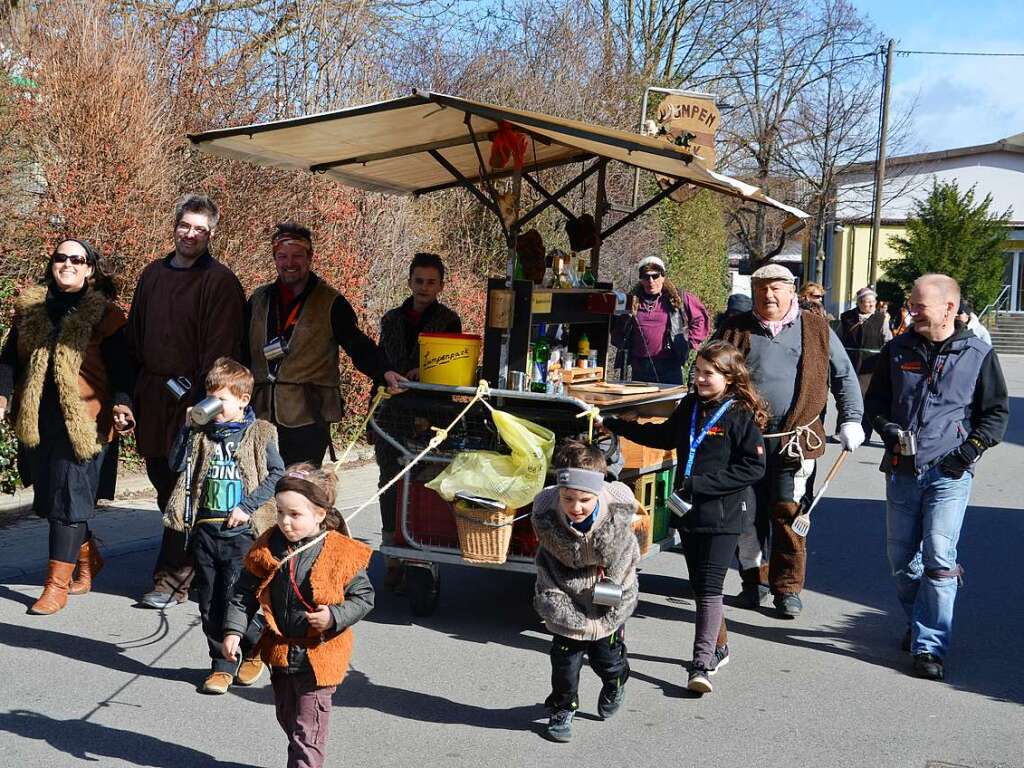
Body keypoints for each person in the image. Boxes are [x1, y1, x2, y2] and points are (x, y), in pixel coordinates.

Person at [865, 274, 1008, 681]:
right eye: (911, 305)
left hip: (950, 472)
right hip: (902, 470)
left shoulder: (978, 353)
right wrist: (886, 429)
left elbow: (995, 414)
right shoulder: (897, 349)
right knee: (901, 562)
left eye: (919, 306)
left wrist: (968, 452)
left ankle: (930, 646)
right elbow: (876, 402)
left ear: (949, 308)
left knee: (939, 560)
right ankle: (922, 618)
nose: (911, 312)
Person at [602, 341, 766, 693]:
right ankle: (719, 646)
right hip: (688, 511)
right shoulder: (690, 405)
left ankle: (701, 664)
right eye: (698, 372)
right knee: (700, 587)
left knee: (710, 587)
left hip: (724, 515)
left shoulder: (739, 414)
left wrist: (701, 484)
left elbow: (754, 467)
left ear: (730, 377)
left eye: (709, 373)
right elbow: (663, 436)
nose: (700, 379)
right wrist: (617, 425)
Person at [714, 263, 864, 618]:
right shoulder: (734, 330)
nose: (768, 295)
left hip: (795, 440)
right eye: (761, 288)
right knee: (745, 514)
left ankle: (787, 588)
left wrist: (852, 419)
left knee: (788, 513)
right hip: (744, 439)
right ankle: (754, 581)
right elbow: (709, 371)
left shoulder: (816, 328)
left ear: (791, 291)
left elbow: (844, 376)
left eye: (776, 288)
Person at [0, 239, 134, 614]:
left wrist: (124, 403)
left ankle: (54, 586)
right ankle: (87, 557)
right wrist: (2, 397)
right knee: (50, 501)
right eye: (61, 258)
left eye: (78, 259)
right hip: (39, 421)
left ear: (91, 270)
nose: (68, 264)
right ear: (52, 265)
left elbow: (124, 369)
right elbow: (9, 360)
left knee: (69, 502)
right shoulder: (29, 310)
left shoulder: (106, 316)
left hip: (86, 423)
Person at [127, 194, 246, 610]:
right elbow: (135, 339)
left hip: (196, 402)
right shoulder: (152, 275)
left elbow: (223, 350)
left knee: (185, 487)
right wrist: (129, 396)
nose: (190, 234)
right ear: (174, 225)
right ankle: (201, 564)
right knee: (163, 482)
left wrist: (202, 404)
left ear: (212, 233)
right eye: (185, 226)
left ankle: (172, 579)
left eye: (200, 229)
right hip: (153, 397)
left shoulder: (221, 281)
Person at [223, 464, 374, 768]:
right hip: (280, 652)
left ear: (320, 514)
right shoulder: (267, 546)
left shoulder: (340, 551)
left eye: (295, 515)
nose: (285, 522)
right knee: (289, 719)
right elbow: (243, 593)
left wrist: (333, 616)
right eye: (280, 512)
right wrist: (233, 631)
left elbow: (364, 597)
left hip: (320, 656)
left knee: (309, 730)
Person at [162, 358, 284, 694]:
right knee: (209, 601)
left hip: (243, 533)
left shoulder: (260, 433)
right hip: (205, 529)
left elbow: (277, 475)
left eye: (223, 400)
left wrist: (247, 507)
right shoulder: (201, 434)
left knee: (236, 596)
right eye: (209, 397)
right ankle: (221, 663)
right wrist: (187, 428)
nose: (215, 406)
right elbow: (175, 465)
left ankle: (250, 649)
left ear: (244, 399)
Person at [245, 221, 404, 467]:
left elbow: (357, 344)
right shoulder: (258, 299)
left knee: (301, 489)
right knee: (261, 490)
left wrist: (383, 371)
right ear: (274, 259)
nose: (289, 263)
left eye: (297, 255)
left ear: (310, 257)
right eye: (282, 256)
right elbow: (241, 349)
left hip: (308, 413)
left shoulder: (331, 302)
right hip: (261, 411)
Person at [531, 439, 640, 742]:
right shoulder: (547, 517)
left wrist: (614, 592)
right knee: (564, 661)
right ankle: (563, 707)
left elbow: (624, 558)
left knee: (608, 659)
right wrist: (554, 598)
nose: (575, 508)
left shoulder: (615, 516)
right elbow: (546, 562)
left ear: (598, 494)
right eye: (568, 499)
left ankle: (616, 680)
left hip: (607, 595)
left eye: (584, 500)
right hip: (566, 593)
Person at [375, 252, 461, 589]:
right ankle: (391, 555)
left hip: (430, 412)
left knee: (425, 481)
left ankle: (423, 553)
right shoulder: (391, 319)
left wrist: (424, 373)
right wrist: (374, 414)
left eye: (431, 282)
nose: (424, 287)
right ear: (409, 281)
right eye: (418, 280)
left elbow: (451, 364)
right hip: (391, 411)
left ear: (440, 285)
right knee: (389, 481)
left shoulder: (448, 320)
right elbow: (381, 364)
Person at [611, 255, 710, 385]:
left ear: (663, 276)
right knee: (641, 404)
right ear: (641, 279)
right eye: (646, 277)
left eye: (655, 276)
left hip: (669, 365)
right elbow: (616, 329)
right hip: (639, 367)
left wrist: (687, 342)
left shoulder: (678, 298)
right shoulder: (631, 301)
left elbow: (701, 320)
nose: (650, 281)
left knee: (670, 404)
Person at [838, 286, 892, 443]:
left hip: (871, 366)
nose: (869, 305)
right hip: (850, 362)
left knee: (866, 399)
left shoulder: (881, 318)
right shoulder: (847, 317)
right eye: (866, 302)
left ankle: (865, 432)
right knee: (846, 396)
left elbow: (887, 340)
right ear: (859, 303)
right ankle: (841, 429)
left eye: (872, 302)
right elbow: (838, 338)